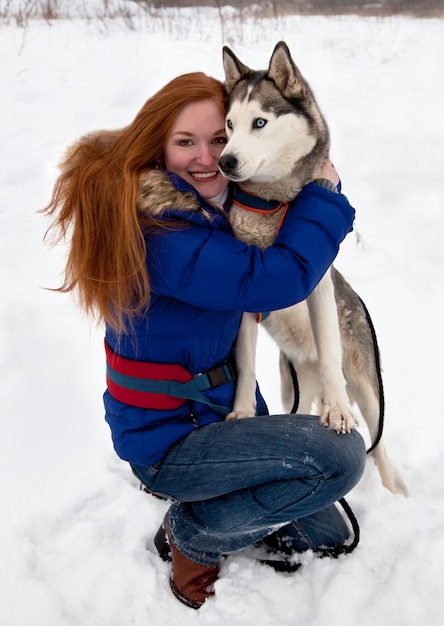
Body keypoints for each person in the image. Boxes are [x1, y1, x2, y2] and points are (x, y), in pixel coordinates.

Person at [43, 71, 366, 610]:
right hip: (171, 442)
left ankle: (227, 502)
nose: (209, 157)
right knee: (338, 459)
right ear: (158, 149)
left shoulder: (210, 214)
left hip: (218, 417)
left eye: (220, 139)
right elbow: (276, 279)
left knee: (330, 536)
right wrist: (324, 192)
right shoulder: (161, 234)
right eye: (185, 142)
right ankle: (191, 531)